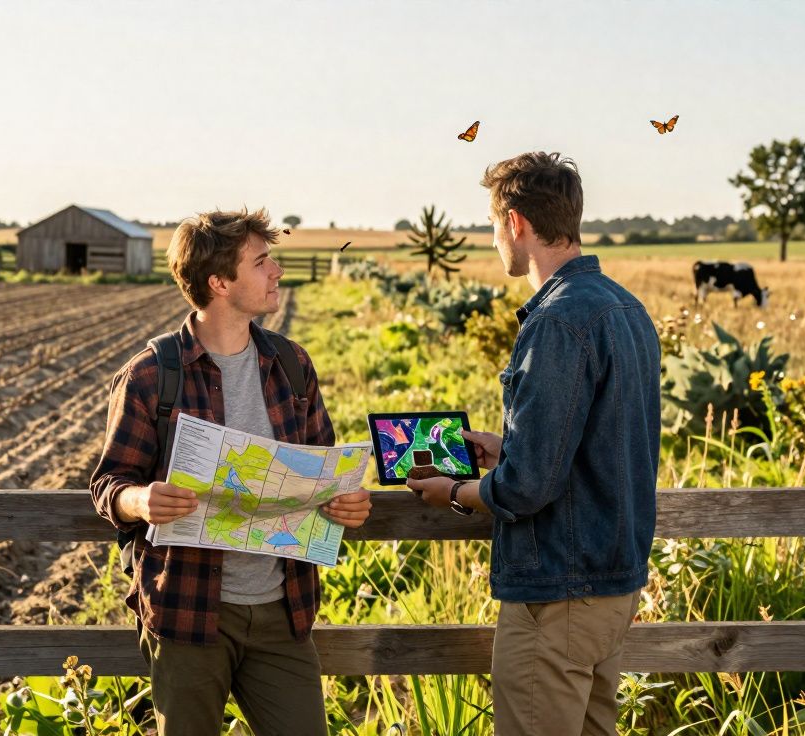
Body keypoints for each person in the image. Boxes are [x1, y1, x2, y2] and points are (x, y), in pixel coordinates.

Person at [89, 207, 373, 736]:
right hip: (188, 614)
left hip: (282, 613)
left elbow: (326, 471)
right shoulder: (151, 376)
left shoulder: (291, 365)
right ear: (219, 282)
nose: (276, 272)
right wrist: (141, 501)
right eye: (262, 262)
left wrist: (347, 502)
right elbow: (108, 485)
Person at [407, 152, 661, 736]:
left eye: (495, 226)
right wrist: (512, 448)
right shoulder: (625, 307)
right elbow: (604, 444)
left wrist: (456, 491)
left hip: (557, 594)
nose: (495, 239)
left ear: (516, 222)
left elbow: (527, 490)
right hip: (613, 583)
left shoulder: (556, 321)